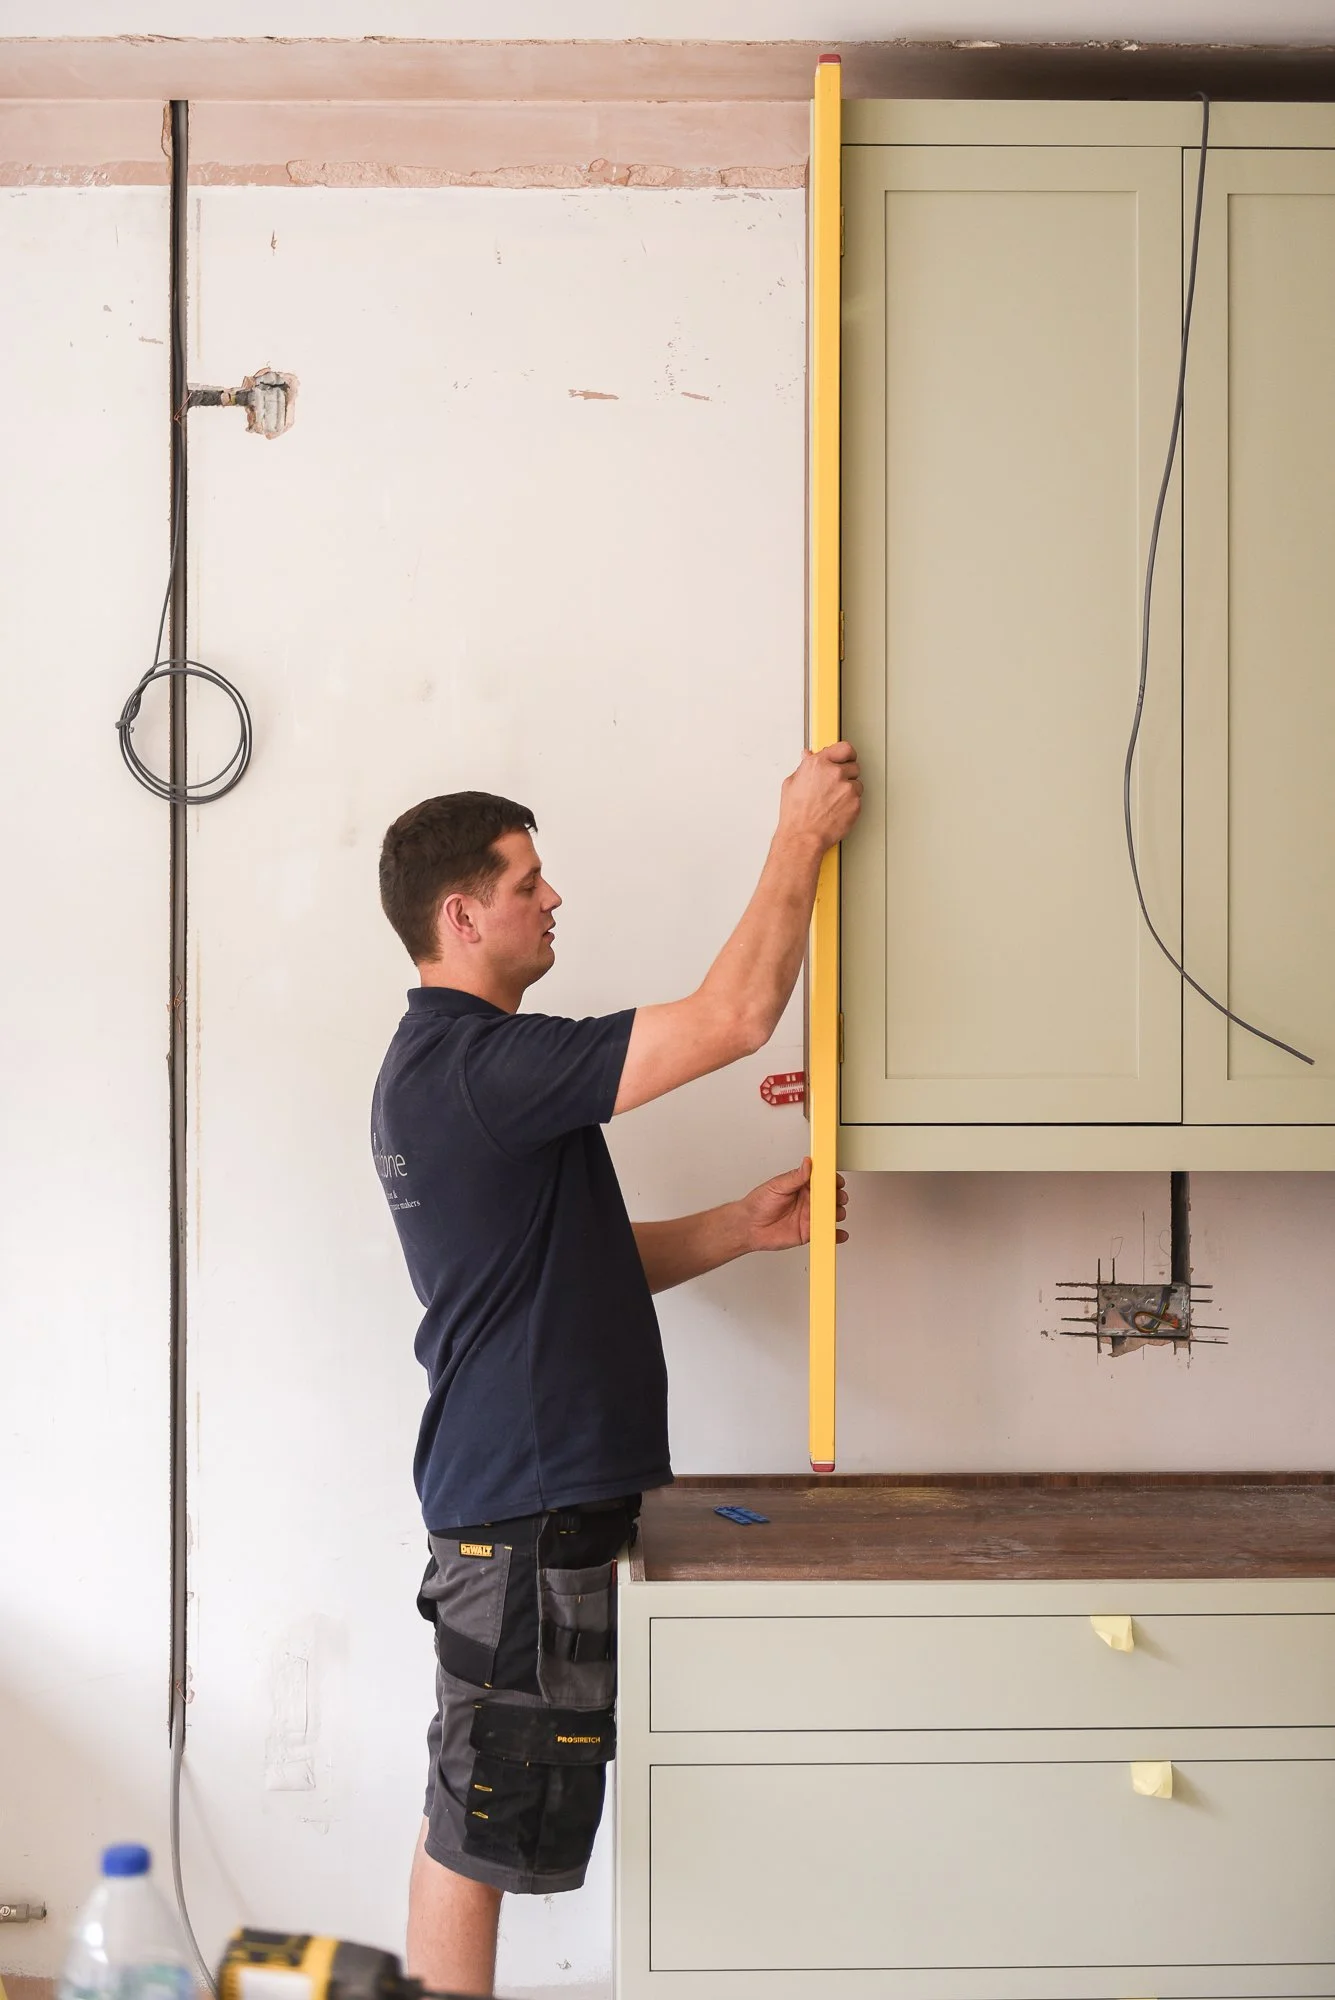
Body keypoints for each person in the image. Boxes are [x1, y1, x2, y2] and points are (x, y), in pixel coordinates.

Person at [371, 743, 861, 1998]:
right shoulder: (479, 1067)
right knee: (483, 1817)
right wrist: (800, 833)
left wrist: (738, 1228)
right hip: (523, 1510)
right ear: (460, 913)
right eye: (529, 881)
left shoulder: (464, 1079)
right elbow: (733, 1019)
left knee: (474, 1801)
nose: (554, 899)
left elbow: (578, 1267)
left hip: (516, 1503)